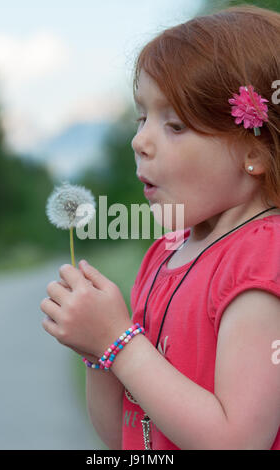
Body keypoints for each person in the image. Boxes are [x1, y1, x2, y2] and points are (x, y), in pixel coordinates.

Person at [40, 4, 280, 450]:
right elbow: (127, 437)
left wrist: (119, 341)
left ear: (256, 153)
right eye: (141, 117)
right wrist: (99, 353)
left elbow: (238, 441)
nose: (139, 141)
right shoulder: (165, 251)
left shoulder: (261, 261)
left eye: (174, 125)